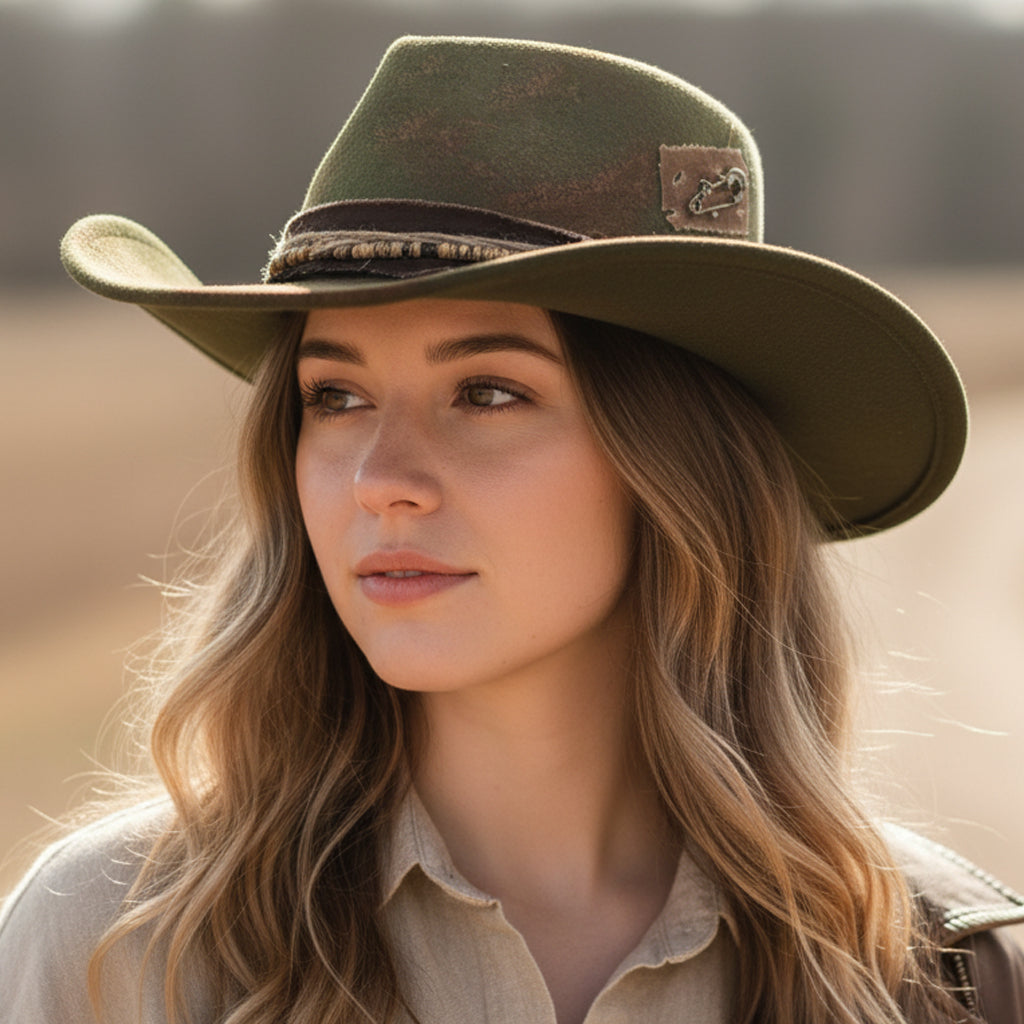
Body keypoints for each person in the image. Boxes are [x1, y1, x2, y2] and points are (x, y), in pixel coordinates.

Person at [1, 34, 1022, 1024]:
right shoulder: (116, 945)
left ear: (678, 469)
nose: (380, 480)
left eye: (486, 392)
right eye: (335, 396)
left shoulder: (942, 970)